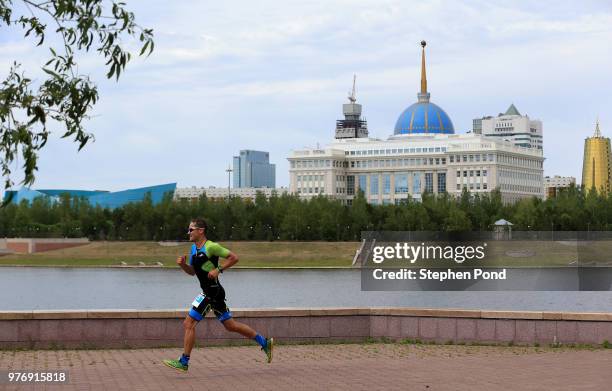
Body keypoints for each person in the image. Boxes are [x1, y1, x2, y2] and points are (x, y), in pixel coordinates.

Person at [163, 218, 273, 372]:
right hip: (212, 292)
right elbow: (193, 272)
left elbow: (234, 258)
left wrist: (218, 269)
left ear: (200, 231)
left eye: (191, 229)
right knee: (231, 325)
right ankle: (264, 343)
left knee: (188, 324)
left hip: (212, 292)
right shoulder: (194, 249)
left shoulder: (211, 247)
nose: (188, 232)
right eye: (188, 229)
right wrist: (183, 265)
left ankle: (184, 361)